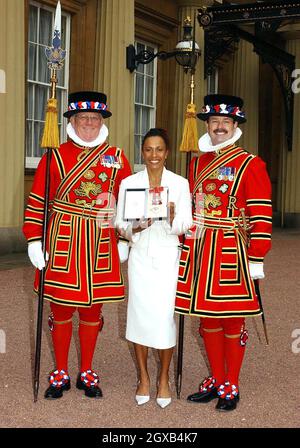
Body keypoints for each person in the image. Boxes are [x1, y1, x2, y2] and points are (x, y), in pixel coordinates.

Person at [23, 91, 131, 399]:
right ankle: (60, 370)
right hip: (63, 242)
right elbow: (38, 201)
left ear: (102, 122)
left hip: (100, 241)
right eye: (83, 118)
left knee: (92, 311)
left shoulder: (118, 157)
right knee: (61, 308)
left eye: (95, 119)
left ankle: (86, 369)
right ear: (71, 120)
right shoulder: (54, 156)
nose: (89, 123)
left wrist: (125, 236)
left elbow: (127, 203)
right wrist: (34, 238)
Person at [175, 94, 272, 412]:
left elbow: (260, 214)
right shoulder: (195, 163)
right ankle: (216, 378)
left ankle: (232, 382)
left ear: (235, 126)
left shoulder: (251, 164)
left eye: (225, 122)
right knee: (206, 319)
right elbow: (190, 207)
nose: (219, 127)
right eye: (214, 121)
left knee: (232, 319)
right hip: (200, 247)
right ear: (207, 124)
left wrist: (257, 255)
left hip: (232, 248)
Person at [115, 128, 192, 408]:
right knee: (139, 318)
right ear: (142, 152)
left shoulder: (180, 183)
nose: (154, 155)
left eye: (159, 149)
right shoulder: (128, 182)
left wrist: (173, 219)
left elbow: (187, 223)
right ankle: (143, 377)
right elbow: (119, 223)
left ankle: (163, 378)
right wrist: (135, 225)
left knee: (163, 319)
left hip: (168, 255)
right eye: (148, 149)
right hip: (140, 256)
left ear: (167, 152)